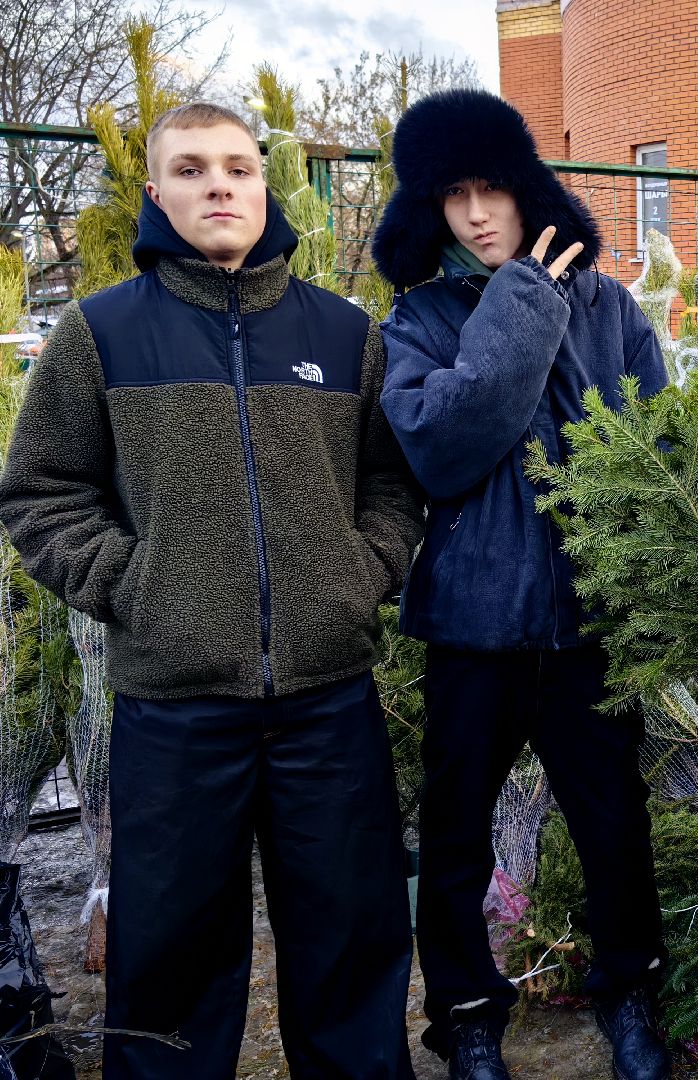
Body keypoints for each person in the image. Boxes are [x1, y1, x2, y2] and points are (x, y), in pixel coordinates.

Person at [0, 103, 424, 1079]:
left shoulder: (345, 333)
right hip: (175, 708)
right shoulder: (100, 335)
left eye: (238, 167)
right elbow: (40, 493)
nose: (220, 186)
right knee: (169, 965)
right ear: (157, 194)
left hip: (329, 702)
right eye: (191, 170)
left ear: (263, 186)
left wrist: (362, 575)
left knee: (353, 948)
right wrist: (135, 584)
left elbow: (393, 485)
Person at [371, 89, 671, 1080]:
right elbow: (445, 448)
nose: (476, 213)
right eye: (452, 194)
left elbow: (646, 453)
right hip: (472, 623)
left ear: (527, 185)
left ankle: (632, 993)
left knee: (615, 826)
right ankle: (464, 1017)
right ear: (431, 207)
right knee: (454, 838)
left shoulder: (611, 307)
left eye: (493, 185)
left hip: (589, 624)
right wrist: (521, 304)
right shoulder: (414, 322)